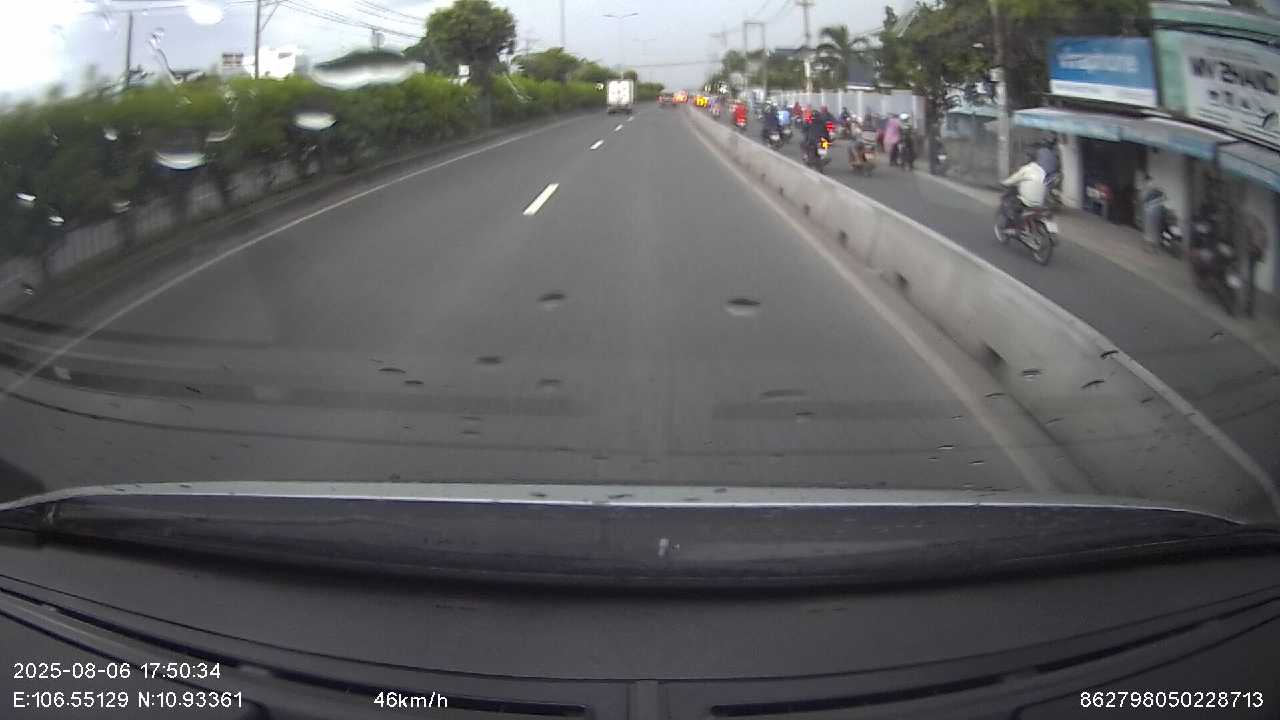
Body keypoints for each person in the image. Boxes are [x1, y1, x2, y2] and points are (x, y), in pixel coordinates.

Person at [1000, 152, 1048, 233]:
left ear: (1028, 158)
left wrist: (1003, 183)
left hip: (1027, 200)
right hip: (1040, 201)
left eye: (1025, 157)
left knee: (1012, 205)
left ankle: (1016, 227)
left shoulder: (1025, 169)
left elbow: (1013, 179)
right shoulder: (1041, 170)